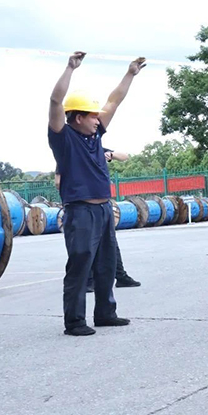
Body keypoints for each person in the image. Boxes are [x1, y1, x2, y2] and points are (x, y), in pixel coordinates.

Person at [48, 51, 145, 336]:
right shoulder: (63, 138)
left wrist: (130, 74)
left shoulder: (96, 135)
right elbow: (55, 102)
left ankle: (105, 314)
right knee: (80, 265)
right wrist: (70, 68)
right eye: (92, 115)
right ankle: (75, 322)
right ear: (78, 117)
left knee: (106, 265)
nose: (97, 119)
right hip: (80, 211)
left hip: (103, 209)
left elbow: (114, 100)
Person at [55, 150, 141, 293]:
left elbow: (125, 156)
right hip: (82, 206)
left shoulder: (95, 149)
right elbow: (58, 182)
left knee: (109, 243)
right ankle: (88, 281)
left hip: (101, 204)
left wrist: (111, 155)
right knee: (86, 244)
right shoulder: (68, 153)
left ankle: (120, 276)